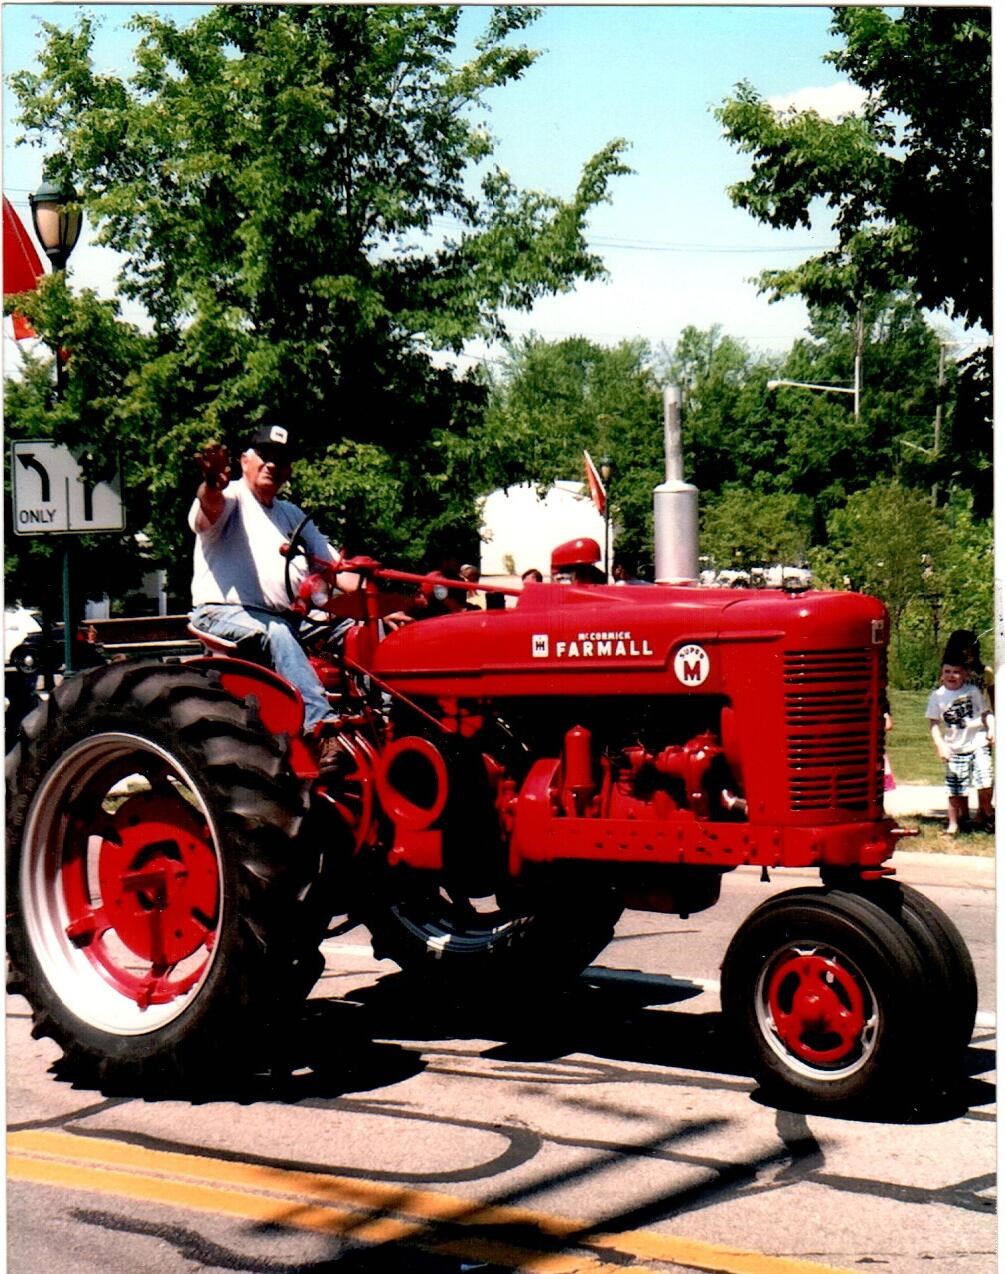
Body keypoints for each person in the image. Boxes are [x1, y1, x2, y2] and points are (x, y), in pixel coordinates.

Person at [189, 425, 360, 763]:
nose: (272, 465)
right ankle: (321, 730)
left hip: (286, 618)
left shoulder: (291, 514)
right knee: (278, 632)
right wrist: (210, 483)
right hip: (223, 613)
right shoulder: (231, 497)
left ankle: (386, 716)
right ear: (244, 461)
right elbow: (209, 508)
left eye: (280, 459)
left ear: (289, 470)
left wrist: (377, 599)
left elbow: (340, 573)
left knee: (358, 629)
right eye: (264, 456)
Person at [926, 657, 995, 835]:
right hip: (954, 747)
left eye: (956, 672)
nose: (952, 675)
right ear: (941, 674)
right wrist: (940, 745)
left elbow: (986, 713)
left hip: (978, 742)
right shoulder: (937, 696)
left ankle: (988, 812)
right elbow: (934, 725)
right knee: (954, 788)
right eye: (947, 671)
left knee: (985, 779)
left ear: (964, 674)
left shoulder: (972, 691)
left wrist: (992, 729)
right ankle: (954, 824)